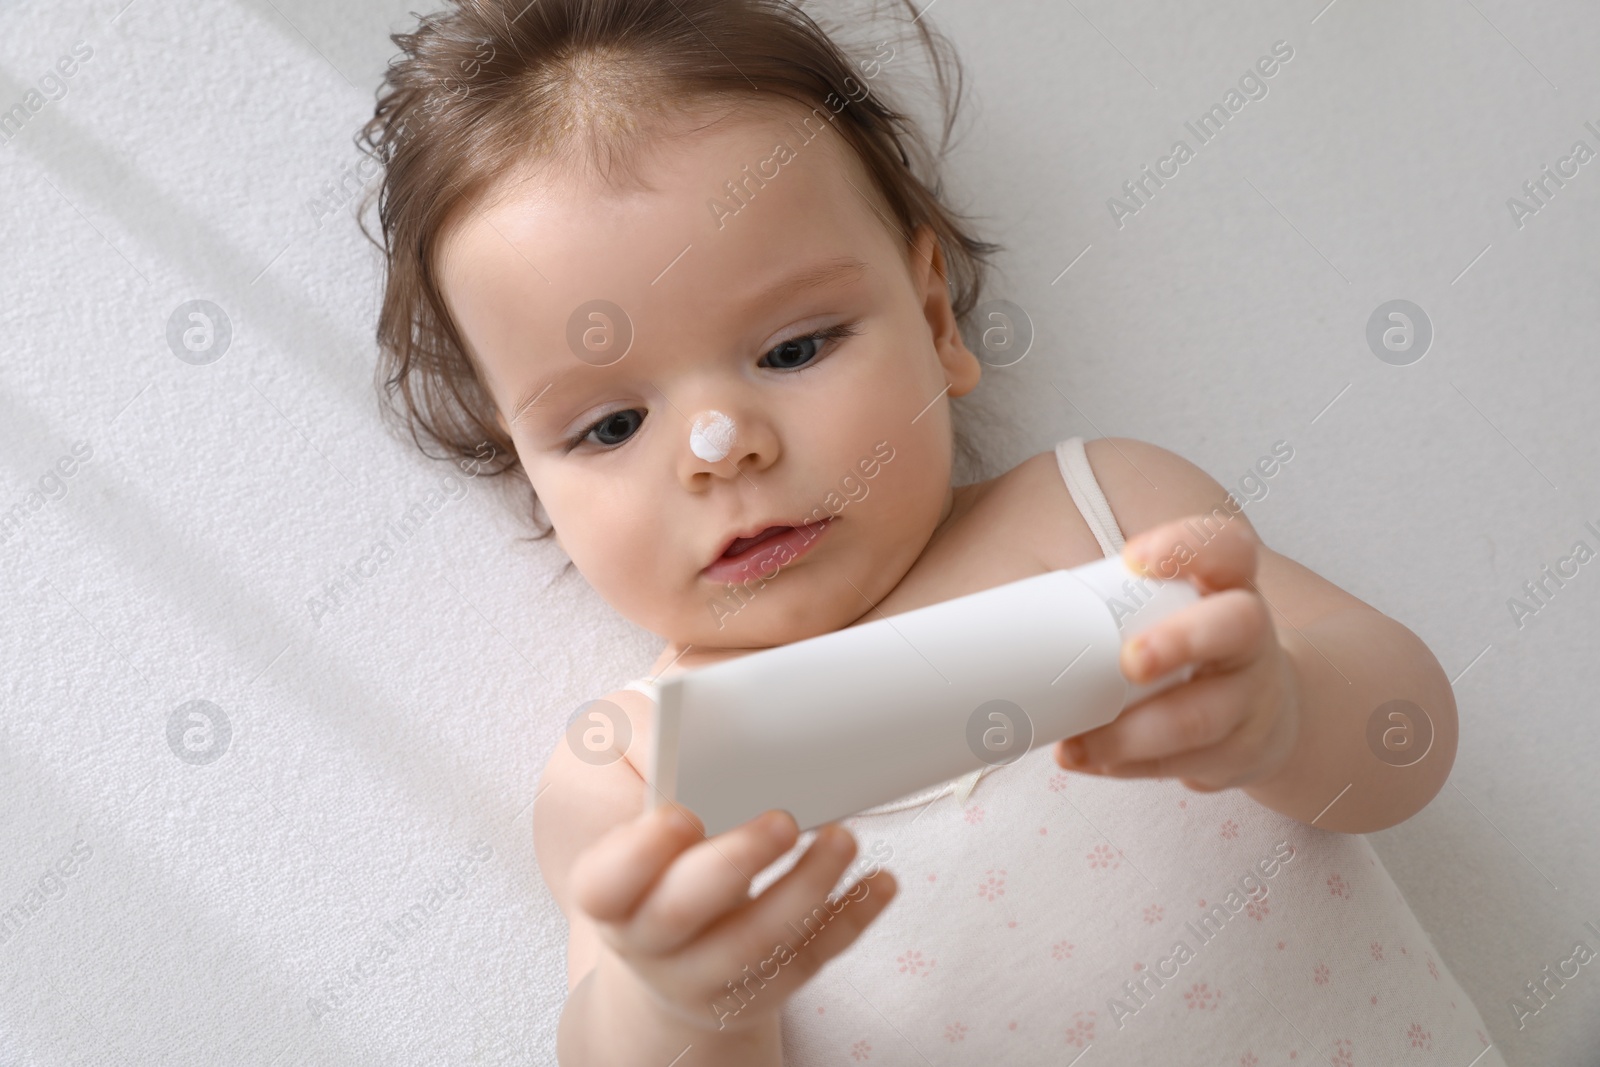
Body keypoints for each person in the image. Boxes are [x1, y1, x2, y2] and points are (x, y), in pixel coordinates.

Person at [358, 1, 1505, 1062]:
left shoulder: (1108, 517)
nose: (720, 444)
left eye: (795, 347)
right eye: (610, 423)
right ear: (529, 476)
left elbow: (1409, 742)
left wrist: (1287, 713)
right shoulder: (634, 767)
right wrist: (671, 998)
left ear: (933, 314)